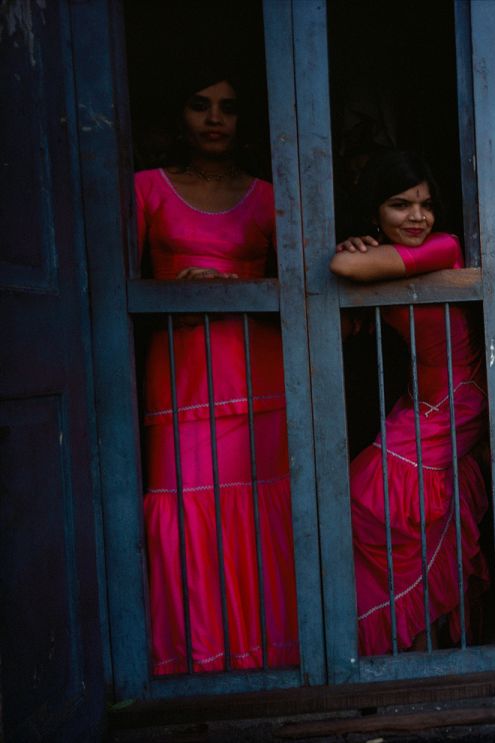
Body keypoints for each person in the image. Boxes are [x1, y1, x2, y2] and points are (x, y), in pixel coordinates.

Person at [136, 71, 299, 674]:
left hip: (257, 378)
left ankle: (271, 657)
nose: (214, 118)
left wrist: (241, 287)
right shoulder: (145, 190)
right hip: (179, 380)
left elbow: (304, 284)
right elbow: (105, 284)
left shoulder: (268, 194)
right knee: (182, 510)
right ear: (179, 114)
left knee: (259, 516)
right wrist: (166, 288)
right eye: (200, 104)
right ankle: (195, 661)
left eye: (228, 108)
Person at [331, 151, 489, 656]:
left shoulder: (443, 247)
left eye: (424, 204)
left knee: (369, 496)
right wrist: (361, 251)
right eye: (400, 205)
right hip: (423, 402)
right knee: (416, 521)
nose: (417, 217)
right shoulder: (390, 255)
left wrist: (357, 254)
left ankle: (399, 638)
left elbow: (342, 265)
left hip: (459, 401)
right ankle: (419, 645)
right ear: (374, 212)